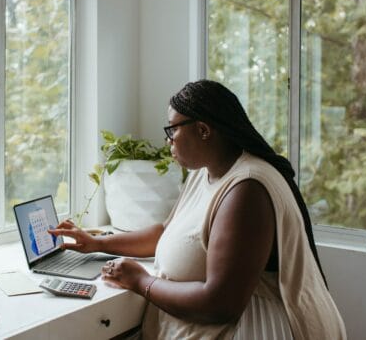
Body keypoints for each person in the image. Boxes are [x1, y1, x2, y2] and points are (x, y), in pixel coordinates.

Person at [49, 79, 346, 339]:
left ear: (203, 130)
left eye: (172, 130)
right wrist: (98, 242)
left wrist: (141, 281)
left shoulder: (247, 190)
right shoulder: (204, 173)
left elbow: (220, 304)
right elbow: (167, 231)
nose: (168, 141)